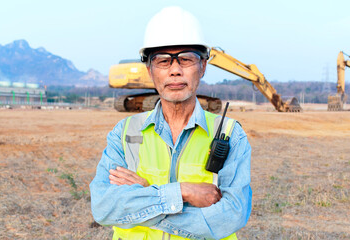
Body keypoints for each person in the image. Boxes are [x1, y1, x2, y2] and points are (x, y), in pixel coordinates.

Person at [90, 6, 252, 240]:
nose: (175, 70)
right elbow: (104, 208)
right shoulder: (125, 133)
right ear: (150, 69)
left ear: (203, 67)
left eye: (186, 60)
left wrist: (144, 198)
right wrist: (182, 192)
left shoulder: (230, 134)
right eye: (164, 61)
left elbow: (231, 216)